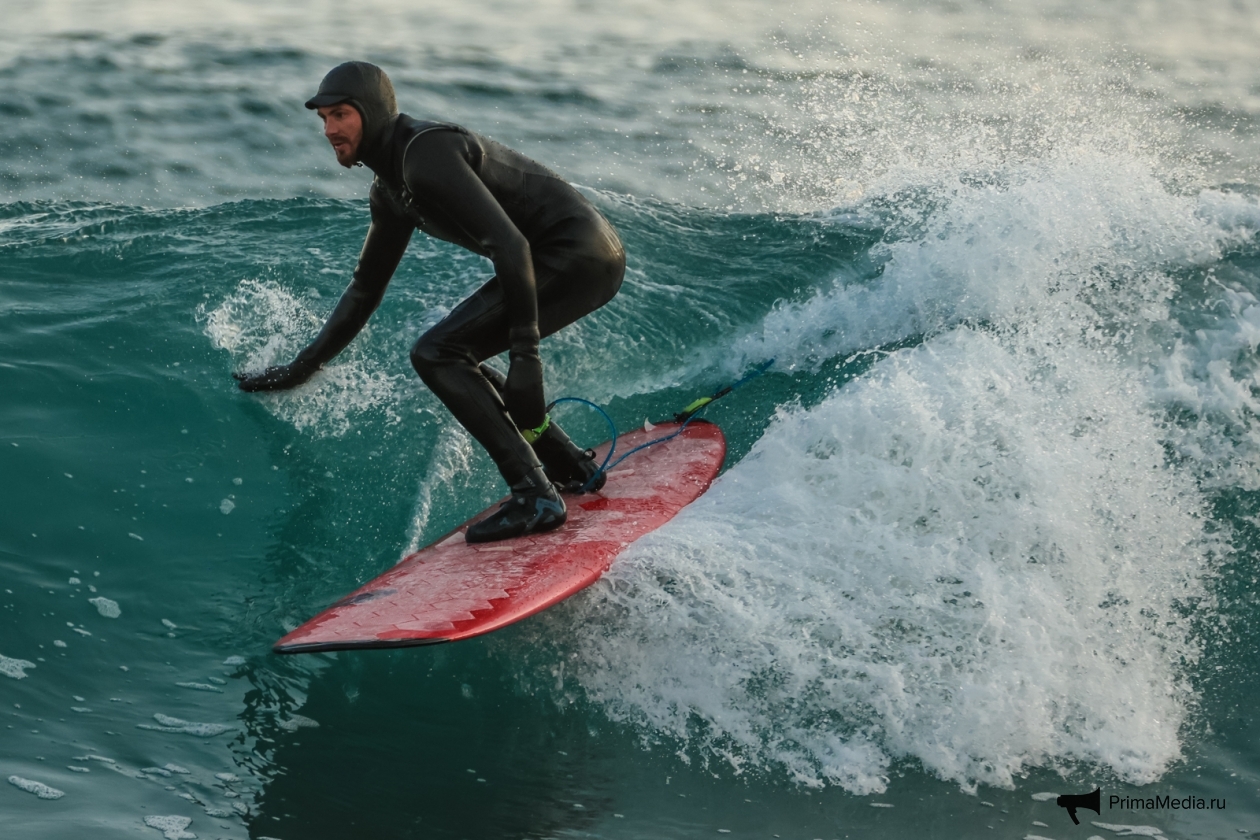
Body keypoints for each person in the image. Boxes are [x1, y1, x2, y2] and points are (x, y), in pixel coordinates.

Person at [233, 61, 625, 543]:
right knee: (453, 350)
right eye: (324, 119)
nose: (330, 130)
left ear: (372, 113)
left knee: (437, 351)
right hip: (570, 256)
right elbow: (364, 290)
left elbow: (511, 245)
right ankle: (568, 466)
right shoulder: (391, 190)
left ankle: (536, 496)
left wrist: (527, 356)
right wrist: (301, 367)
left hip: (574, 252)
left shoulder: (426, 153)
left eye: (341, 115)